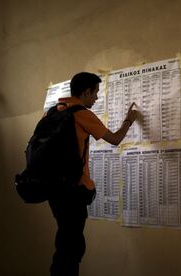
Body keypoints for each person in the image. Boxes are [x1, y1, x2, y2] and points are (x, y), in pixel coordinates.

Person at [48, 72, 138, 276]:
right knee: (72, 248)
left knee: (64, 243)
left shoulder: (53, 112)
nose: (96, 98)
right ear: (86, 92)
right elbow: (114, 139)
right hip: (73, 191)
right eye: (95, 93)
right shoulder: (81, 113)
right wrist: (129, 121)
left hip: (53, 190)